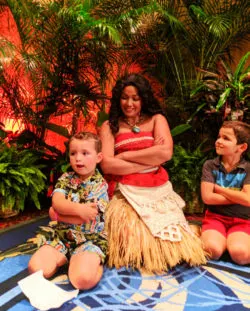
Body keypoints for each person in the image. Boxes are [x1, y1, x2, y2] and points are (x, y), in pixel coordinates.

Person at [99, 73, 207, 273]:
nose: (129, 103)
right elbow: (107, 165)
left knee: (171, 243)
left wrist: (124, 157)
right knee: (132, 240)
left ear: (144, 99)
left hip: (156, 187)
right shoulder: (109, 126)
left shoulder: (157, 120)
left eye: (135, 98)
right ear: (117, 99)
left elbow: (165, 153)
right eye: (124, 97)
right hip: (125, 190)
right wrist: (148, 161)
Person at [28, 132, 109, 290]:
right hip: (62, 238)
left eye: (85, 153)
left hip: (89, 241)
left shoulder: (100, 185)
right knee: (35, 269)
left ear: (98, 157)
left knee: (82, 280)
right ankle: (67, 258)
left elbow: (86, 218)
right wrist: (77, 209)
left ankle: (91, 261)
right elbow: (57, 202)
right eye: (73, 153)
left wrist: (57, 215)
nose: (78, 158)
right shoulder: (66, 178)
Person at [201, 121, 250, 265]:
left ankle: (233, 242)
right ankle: (219, 240)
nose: (218, 141)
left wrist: (220, 189)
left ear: (241, 147)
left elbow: (248, 200)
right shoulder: (210, 165)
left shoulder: (248, 169)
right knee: (212, 251)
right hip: (216, 218)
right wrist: (239, 195)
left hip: (242, 221)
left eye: (226, 138)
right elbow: (208, 198)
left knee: (240, 255)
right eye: (219, 137)